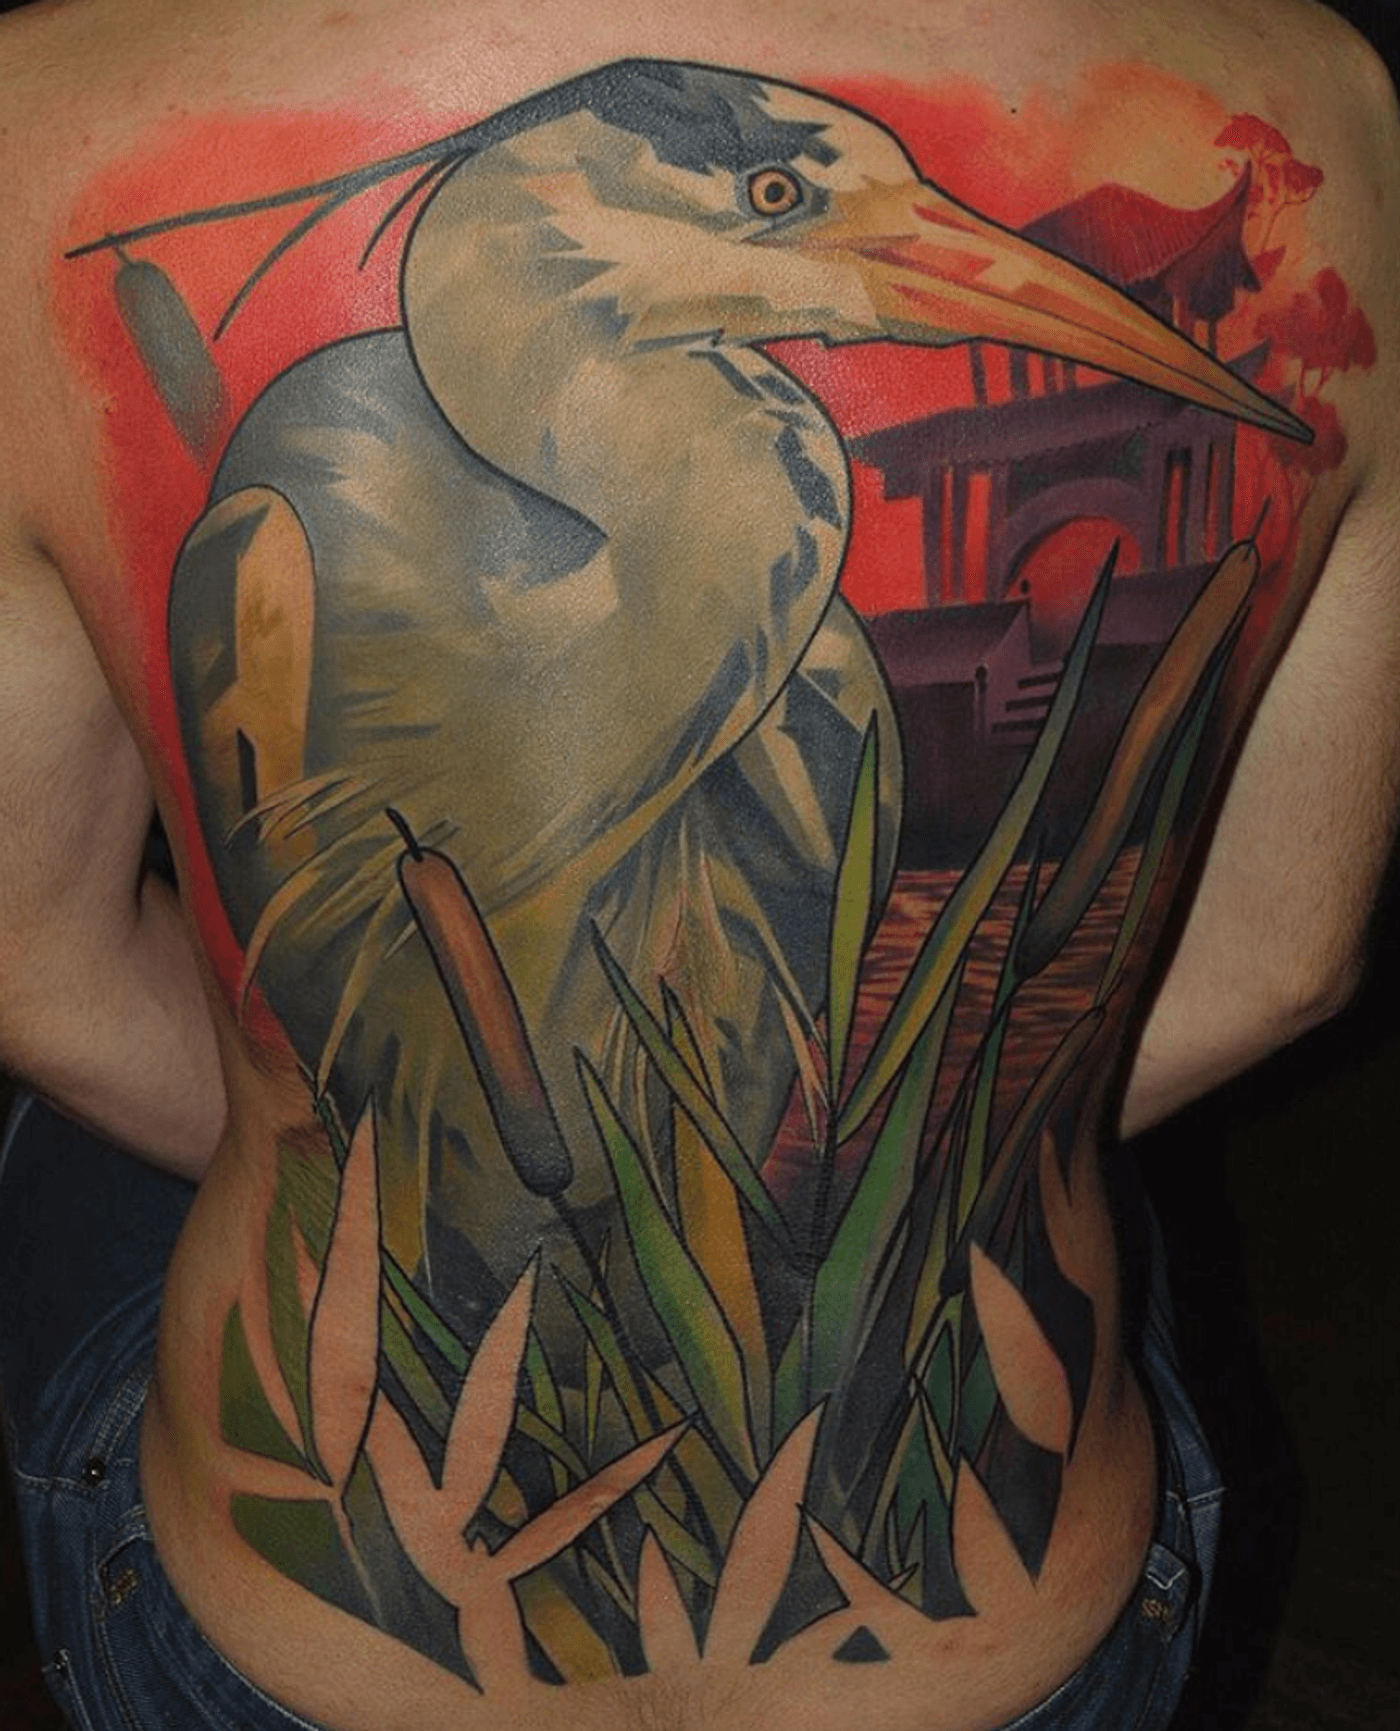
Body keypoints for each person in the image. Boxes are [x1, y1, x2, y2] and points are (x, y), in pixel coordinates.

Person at [1, 1, 1396, 1727]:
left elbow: (40, 978)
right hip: (1012, 1660)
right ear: (530, 245)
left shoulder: (48, 115)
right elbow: (1281, 966)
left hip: (296, 1654)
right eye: (778, 203)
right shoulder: (1327, 104)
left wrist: (340, 1155)